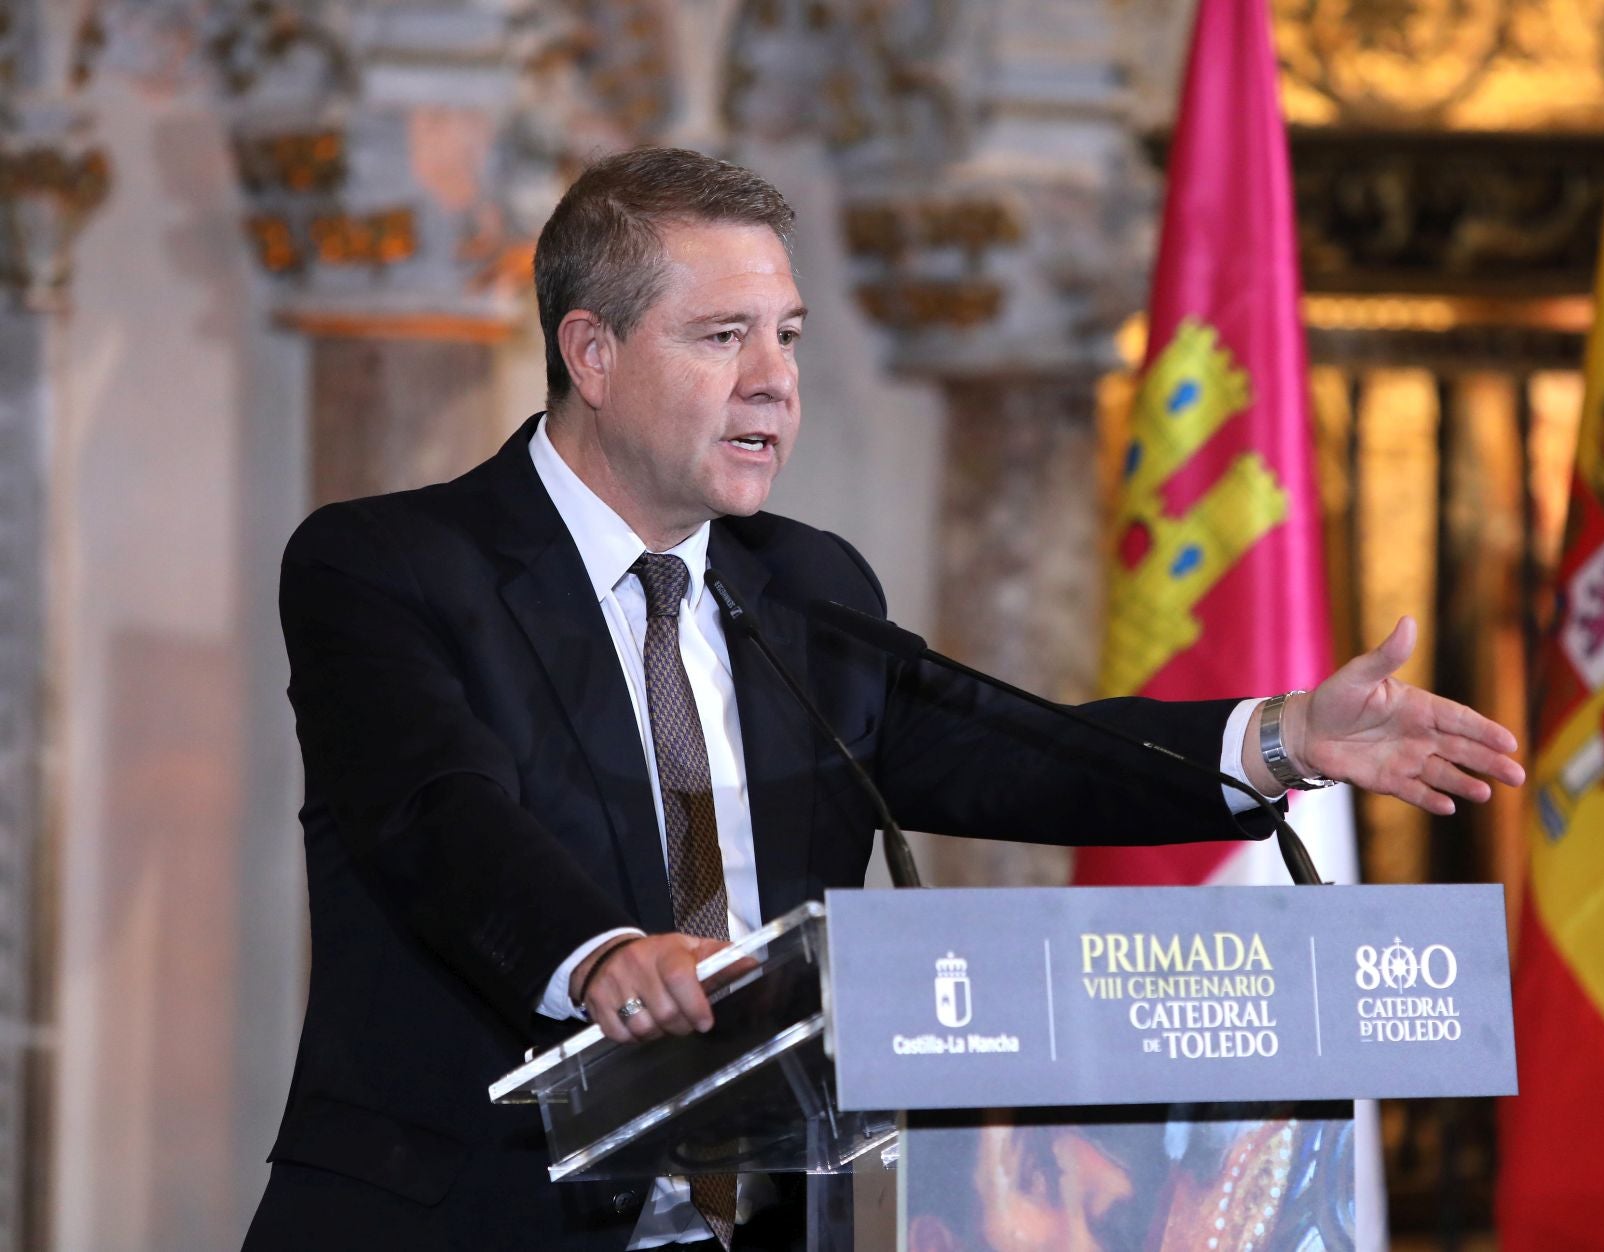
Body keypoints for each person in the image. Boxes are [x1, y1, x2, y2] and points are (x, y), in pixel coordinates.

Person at [243, 146, 1523, 1251]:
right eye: (721, 336)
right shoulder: (391, 566)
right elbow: (439, 814)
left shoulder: (804, 583)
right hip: (465, 1218)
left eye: (787, 335)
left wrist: (1277, 735)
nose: (773, 379)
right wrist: (609, 959)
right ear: (591, 349)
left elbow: (1003, 746)